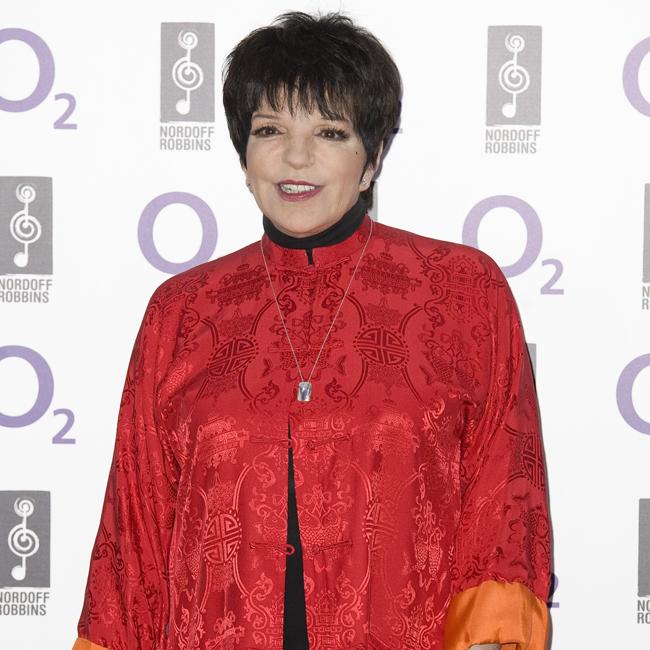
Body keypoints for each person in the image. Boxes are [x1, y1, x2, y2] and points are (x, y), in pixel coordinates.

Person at [72, 11, 551, 650]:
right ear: (244, 155)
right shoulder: (182, 311)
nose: (296, 157)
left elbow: (505, 492)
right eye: (270, 129)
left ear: (372, 158)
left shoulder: (461, 291)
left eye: (330, 132)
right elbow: (133, 528)